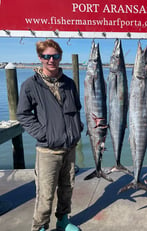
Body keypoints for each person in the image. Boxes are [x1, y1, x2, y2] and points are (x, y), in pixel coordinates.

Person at [17, 39, 83, 231]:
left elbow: (77, 108)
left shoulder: (69, 83)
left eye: (55, 56)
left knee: (67, 188)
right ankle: (40, 226)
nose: (51, 60)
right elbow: (23, 114)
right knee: (45, 193)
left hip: (69, 146)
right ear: (40, 58)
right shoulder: (30, 85)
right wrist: (43, 134)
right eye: (47, 56)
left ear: (60, 57)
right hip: (48, 150)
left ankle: (63, 220)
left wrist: (76, 128)